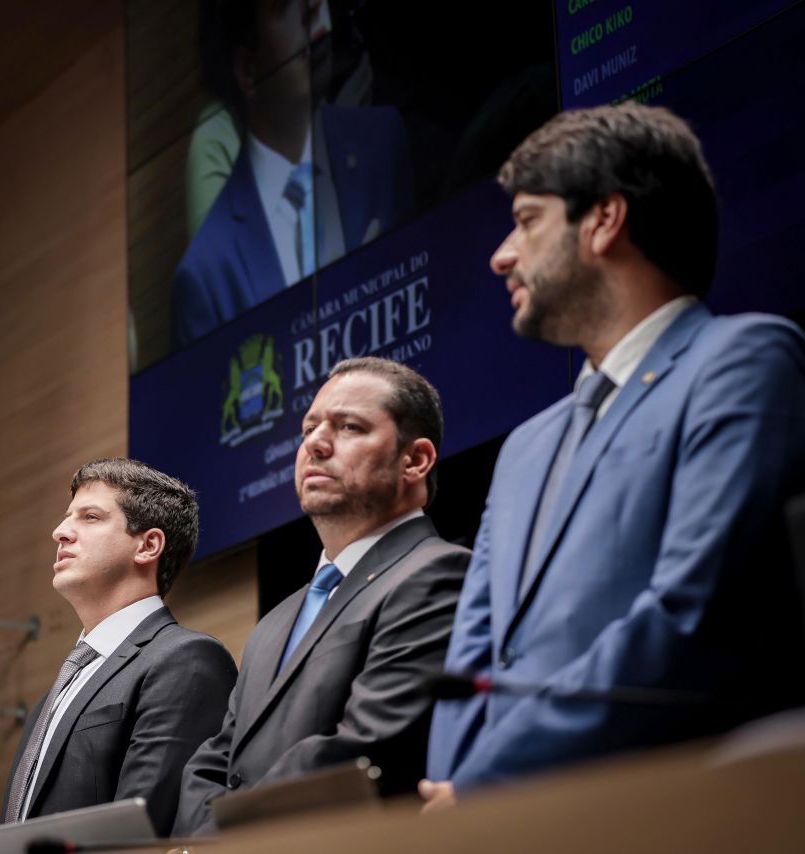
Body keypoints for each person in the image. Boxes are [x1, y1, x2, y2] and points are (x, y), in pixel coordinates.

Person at [421, 103, 805, 811]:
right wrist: (457, 795)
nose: (502, 254)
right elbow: (474, 657)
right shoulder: (525, 447)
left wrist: (485, 784)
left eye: (528, 220)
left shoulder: (743, 360)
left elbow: (693, 614)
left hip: (663, 811)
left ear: (603, 220)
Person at [174, 357, 469, 834]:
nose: (315, 443)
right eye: (309, 428)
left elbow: (366, 748)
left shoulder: (438, 573)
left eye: (349, 427)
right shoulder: (275, 621)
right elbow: (212, 763)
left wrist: (217, 842)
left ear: (414, 460)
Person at [0, 459, 237, 836]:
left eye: (90, 517)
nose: (60, 532)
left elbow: (146, 828)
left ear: (148, 545)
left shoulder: (185, 659)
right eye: (67, 517)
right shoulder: (54, 694)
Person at [172, 0, 414, 347]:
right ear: (248, 69)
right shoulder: (206, 275)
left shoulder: (383, 141)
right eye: (284, 4)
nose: (313, 7)